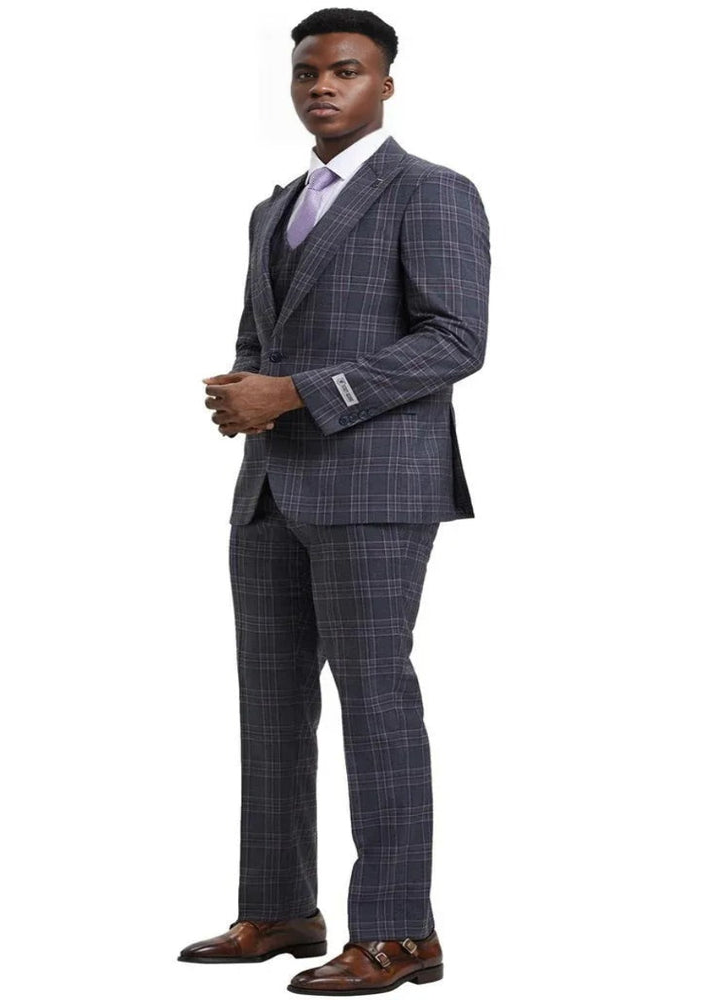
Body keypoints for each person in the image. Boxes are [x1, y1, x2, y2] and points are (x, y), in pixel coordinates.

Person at [179, 7, 491, 994]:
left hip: (375, 486)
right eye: (308, 71)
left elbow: (455, 342)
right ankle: (279, 906)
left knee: (374, 700)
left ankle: (400, 933)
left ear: (385, 83)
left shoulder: (431, 192)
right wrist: (243, 390)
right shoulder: (272, 209)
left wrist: (297, 394)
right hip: (269, 489)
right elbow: (259, 336)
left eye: (346, 70)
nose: (322, 85)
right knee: (270, 705)